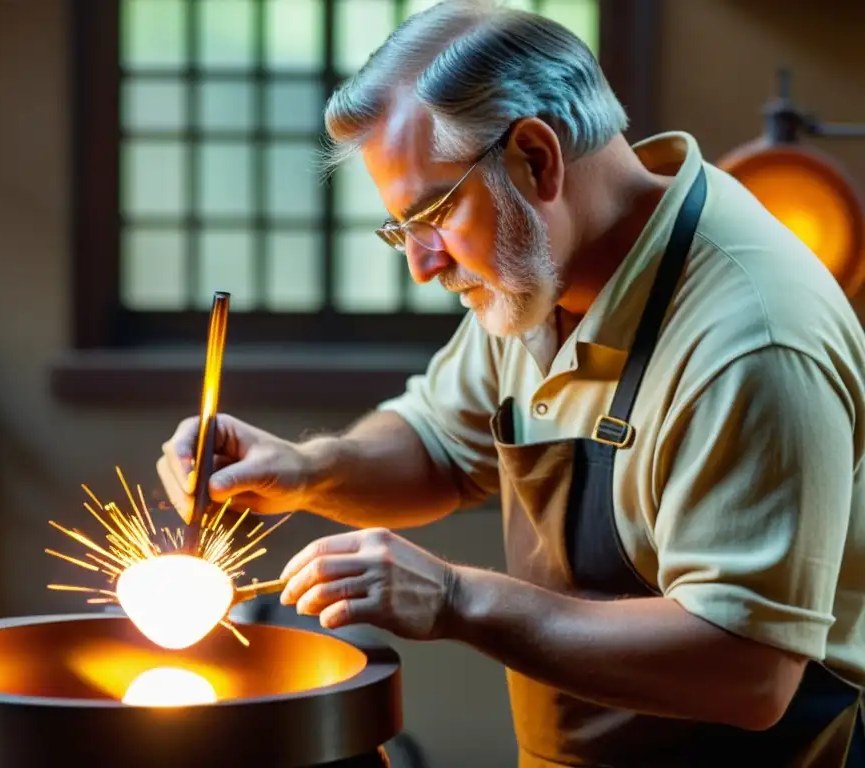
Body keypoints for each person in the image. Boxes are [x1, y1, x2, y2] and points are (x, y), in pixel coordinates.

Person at [158, 1, 865, 765]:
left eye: (432, 213)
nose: (421, 264)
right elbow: (436, 444)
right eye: (401, 229)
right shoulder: (540, 277)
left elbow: (747, 672)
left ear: (536, 157)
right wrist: (305, 471)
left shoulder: (750, 337)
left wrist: (460, 600)